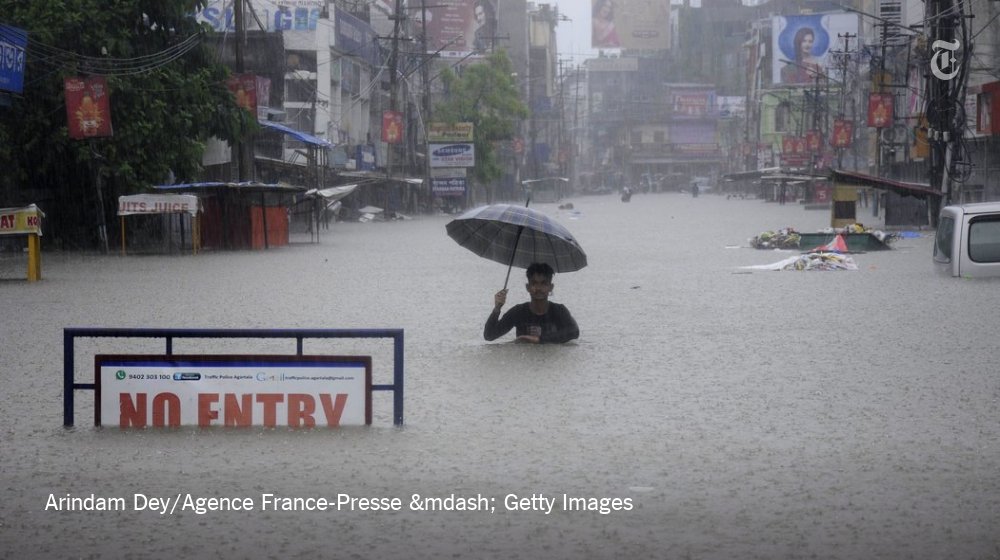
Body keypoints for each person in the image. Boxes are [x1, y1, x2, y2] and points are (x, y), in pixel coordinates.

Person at [484, 262, 579, 344]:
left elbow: (574, 332)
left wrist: (539, 340)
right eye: (534, 283)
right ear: (527, 287)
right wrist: (497, 308)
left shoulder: (559, 311)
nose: (538, 288)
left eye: (544, 283)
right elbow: (489, 336)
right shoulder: (518, 312)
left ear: (551, 287)